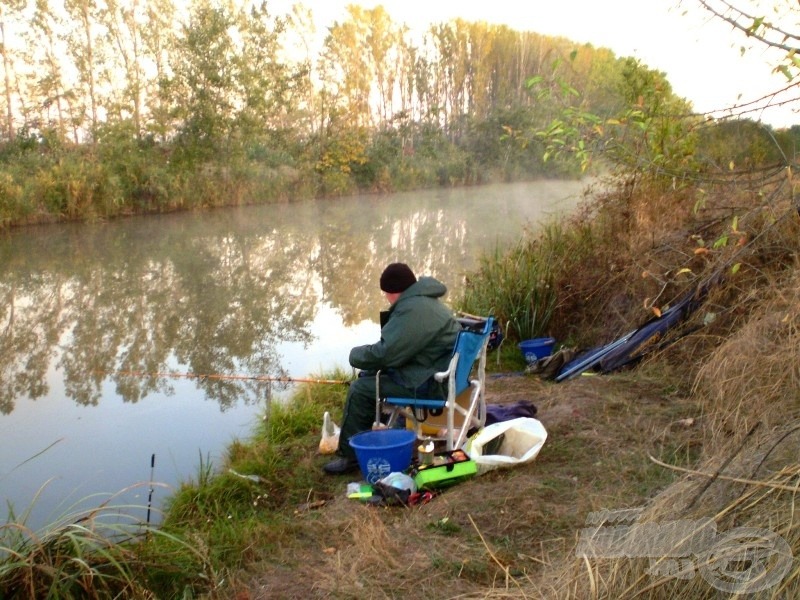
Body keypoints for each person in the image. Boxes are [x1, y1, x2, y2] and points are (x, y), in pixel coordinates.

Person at [323, 263, 462, 475]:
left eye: (387, 294)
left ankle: (350, 457)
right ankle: (373, 434)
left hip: (430, 382)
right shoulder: (426, 301)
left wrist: (354, 354)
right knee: (370, 375)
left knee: (360, 389)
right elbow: (403, 349)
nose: (387, 299)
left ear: (393, 292)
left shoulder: (412, 311)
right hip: (439, 372)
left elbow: (385, 353)